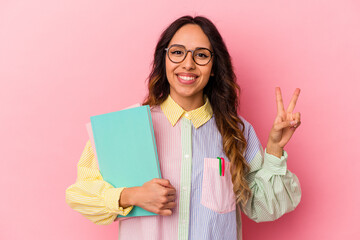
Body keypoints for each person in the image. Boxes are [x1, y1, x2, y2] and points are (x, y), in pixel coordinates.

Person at [66, 15, 302, 240]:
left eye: (201, 55)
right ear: (164, 59)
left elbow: (263, 208)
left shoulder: (237, 131)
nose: (188, 64)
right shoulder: (126, 126)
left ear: (214, 66)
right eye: (177, 52)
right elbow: (80, 193)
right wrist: (132, 195)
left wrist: (273, 150)